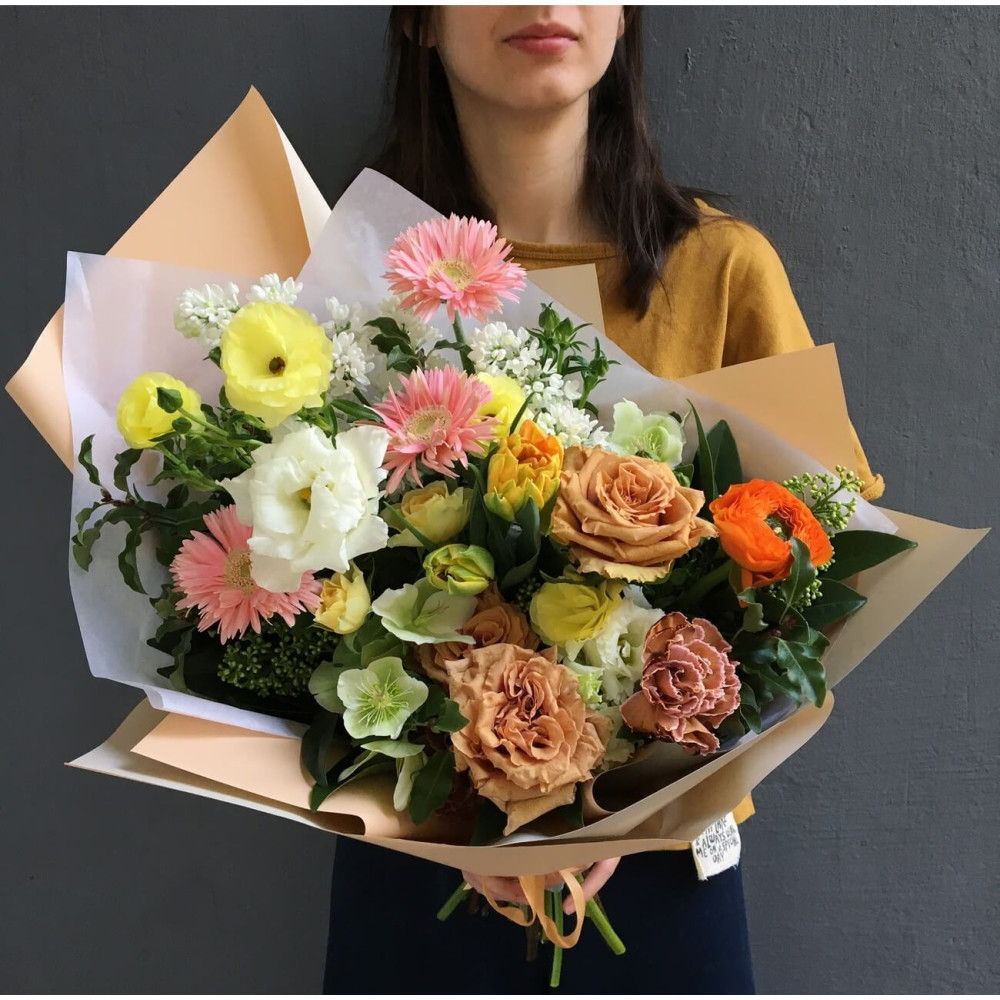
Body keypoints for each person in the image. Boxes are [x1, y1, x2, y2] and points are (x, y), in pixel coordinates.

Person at [325, 6, 883, 993]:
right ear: (418, 19)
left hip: (661, 878)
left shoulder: (719, 272)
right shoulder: (348, 279)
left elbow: (824, 568)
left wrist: (631, 796)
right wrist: (456, 811)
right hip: (414, 868)